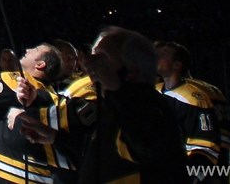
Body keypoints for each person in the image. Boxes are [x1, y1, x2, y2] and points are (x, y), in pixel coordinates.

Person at [78, 26, 188, 183]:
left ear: (132, 69)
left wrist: (115, 88)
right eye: (92, 55)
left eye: (101, 58)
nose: (90, 63)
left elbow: (147, 148)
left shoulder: (147, 104)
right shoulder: (110, 104)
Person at [0, 37, 67, 184]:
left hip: (5, 178)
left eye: (35, 50)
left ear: (40, 64)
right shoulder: (51, 97)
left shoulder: (14, 82)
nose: (28, 50)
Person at [154, 40, 226, 176]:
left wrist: (194, 175)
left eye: (164, 54)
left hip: (181, 171)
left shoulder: (194, 98)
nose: (157, 56)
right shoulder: (154, 90)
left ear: (177, 65)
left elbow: (203, 145)